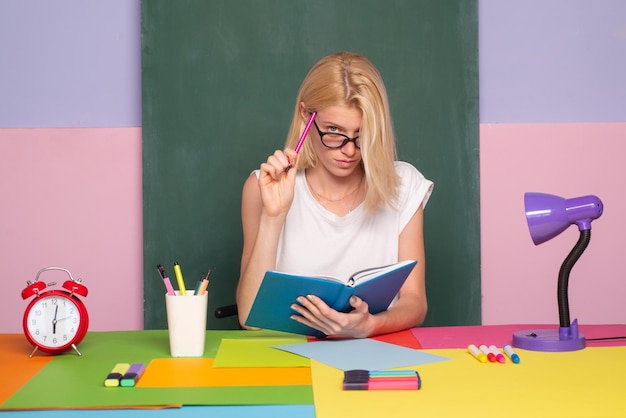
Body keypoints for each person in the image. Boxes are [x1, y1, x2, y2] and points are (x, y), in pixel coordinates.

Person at [236, 52, 433, 338]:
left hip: (374, 355)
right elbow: (250, 319)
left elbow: (415, 303)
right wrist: (273, 216)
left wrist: (370, 325)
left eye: (361, 134)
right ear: (306, 116)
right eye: (333, 131)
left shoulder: (403, 186)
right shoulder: (262, 187)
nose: (350, 150)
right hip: (288, 359)